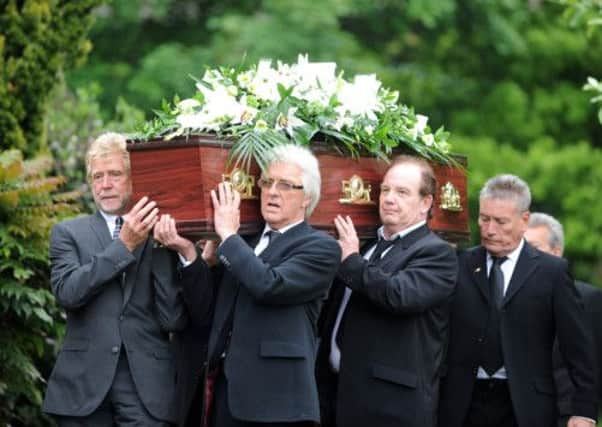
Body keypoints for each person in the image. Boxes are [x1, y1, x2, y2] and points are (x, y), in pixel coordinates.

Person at [154, 144, 341, 427]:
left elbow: (268, 284)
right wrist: (189, 254)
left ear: (307, 198)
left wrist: (228, 234)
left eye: (286, 185)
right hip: (225, 393)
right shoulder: (244, 243)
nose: (272, 191)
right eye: (266, 182)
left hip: (278, 401)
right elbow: (207, 313)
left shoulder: (321, 247)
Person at [42, 132, 188, 426]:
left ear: (135, 178)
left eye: (114, 174)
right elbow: (68, 293)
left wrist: (167, 248)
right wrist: (124, 246)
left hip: (147, 387)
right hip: (82, 387)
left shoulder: (161, 230)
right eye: (97, 177)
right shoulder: (67, 233)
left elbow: (172, 319)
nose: (105, 185)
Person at [439, 174, 597, 427]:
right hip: (462, 404)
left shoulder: (552, 272)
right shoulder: (460, 264)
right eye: (484, 219)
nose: (490, 230)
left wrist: (584, 410)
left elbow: (577, 348)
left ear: (524, 220)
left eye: (501, 222)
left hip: (525, 407)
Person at [314, 155, 458, 427]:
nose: (389, 198)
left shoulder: (436, 253)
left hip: (390, 407)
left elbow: (399, 295)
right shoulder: (367, 245)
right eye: (385, 190)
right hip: (337, 396)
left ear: (425, 203)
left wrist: (352, 262)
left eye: (402, 192)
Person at [524, 212, 602, 426]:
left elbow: (593, 363)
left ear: (556, 252)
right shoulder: (503, 297)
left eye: (534, 248)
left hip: (565, 416)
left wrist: (585, 412)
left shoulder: (589, 299)